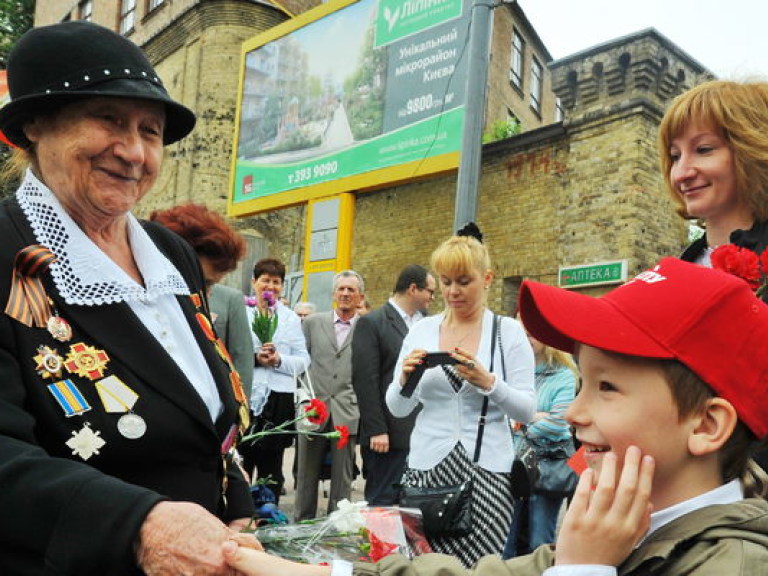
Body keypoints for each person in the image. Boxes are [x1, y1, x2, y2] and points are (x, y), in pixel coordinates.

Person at [221, 256, 768, 576]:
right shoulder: (628, 531)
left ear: (706, 426)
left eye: (606, 388)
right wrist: (306, 567)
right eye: (582, 382)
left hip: (482, 475)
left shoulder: (732, 563)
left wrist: (583, 570)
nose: (574, 411)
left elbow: (526, 409)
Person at [0, 21, 259, 575]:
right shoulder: (5, 250)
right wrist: (140, 526)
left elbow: (199, 408)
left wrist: (234, 505)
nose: (135, 152)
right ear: (33, 127)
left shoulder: (170, 253)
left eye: (151, 130)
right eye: (110, 121)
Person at [385, 226, 536, 567]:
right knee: (421, 569)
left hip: (488, 474)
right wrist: (407, 378)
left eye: (463, 281)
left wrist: (489, 383)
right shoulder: (422, 330)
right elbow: (397, 407)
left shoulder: (507, 332)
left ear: (487, 278)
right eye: (445, 281)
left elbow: (527, 410)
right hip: (425, 472)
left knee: (481, 569)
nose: (453, 291)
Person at [658, 79, 768, 471]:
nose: (682, 172)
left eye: (703, 150)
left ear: (749, 149)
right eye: (674, 156)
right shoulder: (669, 275)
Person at [149, 202, 254, 399]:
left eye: (211, 285)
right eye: (202, 283)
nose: (207, 295)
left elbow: (241, 361)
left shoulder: (226, 300)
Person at [352, 264, 435, 505]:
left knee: (415, 506)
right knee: (383, 503)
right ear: (412, 289)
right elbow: (365, 382)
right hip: (388, 435)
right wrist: (377, 429)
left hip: (423, 433)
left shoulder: (428, 324)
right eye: (430, 291)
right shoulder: (373, 323)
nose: (432, 297)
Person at [295, 270, 365, 520]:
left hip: (347, 410)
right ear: (334, 294)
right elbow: (302, 364)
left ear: (360, 296)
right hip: (314, 410)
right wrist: (304, 401)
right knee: (306, 475)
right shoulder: (312, 323)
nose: (346, 293)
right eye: (341, 289)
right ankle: (301, 526)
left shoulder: (366, 327)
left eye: (351, 290)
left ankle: (337, 529)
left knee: (342, 479)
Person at [241, 258, 310, 502]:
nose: (270, 286)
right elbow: (228, 354)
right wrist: (256, 359)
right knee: (242, 463)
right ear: (254, 282)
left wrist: (278, 360)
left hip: (278, 399)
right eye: (265, 280)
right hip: (245, 397)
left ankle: (268, 520)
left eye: (276, 282)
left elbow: (303, 361)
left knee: (271, 467)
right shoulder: (242, 313)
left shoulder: (290, 318)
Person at [503, 335, 578, 558]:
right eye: (521, 333)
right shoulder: (512, 375)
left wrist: (518, 424)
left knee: (540, 542)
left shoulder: (564, 375)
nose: (525, 339)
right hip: (513, 463)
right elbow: (499, 417)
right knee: (506, 538)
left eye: (531, 334)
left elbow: (557, 424)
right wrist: (534, 418)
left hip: (547, 465)